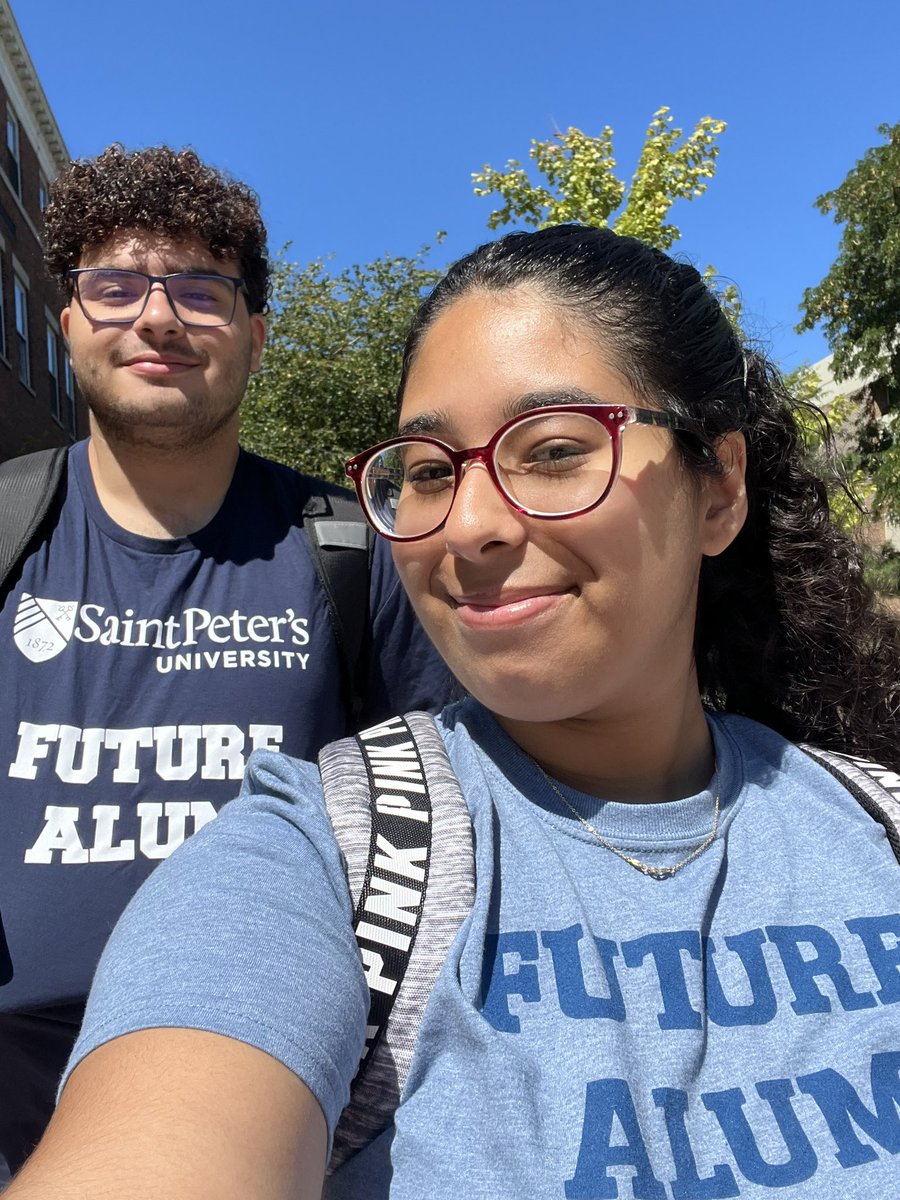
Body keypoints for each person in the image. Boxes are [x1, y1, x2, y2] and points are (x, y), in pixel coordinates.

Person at [9, 223, 900, 1199]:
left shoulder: (873, 828)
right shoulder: (322, 858)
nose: (468, 525)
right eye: (429, 471)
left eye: (555, 450)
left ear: (719, 488)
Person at [0, 145, 453, 1181]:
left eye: (201, 290)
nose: (157, 318)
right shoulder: (8, 532)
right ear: (66, 321)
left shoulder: (351, 553)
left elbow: (455, 807)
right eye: (114, 286)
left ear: (253, 334)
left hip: (297, 1119)